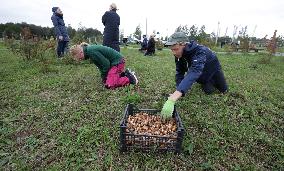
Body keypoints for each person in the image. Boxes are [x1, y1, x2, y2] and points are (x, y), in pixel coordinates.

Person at [160, 32, 228, 119]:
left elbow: (194, 71)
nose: (173, 52)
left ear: (183, 44)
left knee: (224, 90)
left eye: (175, 49)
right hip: (201, 72)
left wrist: (174, 97)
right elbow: (180, 71)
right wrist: (179, 91)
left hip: (213, 69)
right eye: (172, 50)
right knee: (208, 90)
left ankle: (213, 81)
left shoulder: (200, 51)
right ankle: (206, 81)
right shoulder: (179, 54)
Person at [70, 43, 138, 89]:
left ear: (80, 53)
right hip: (114, 64)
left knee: (110, 85)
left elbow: (106, 64)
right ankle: (124, 74)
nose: (80, 60)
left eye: (79, 58)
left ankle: (130, 79)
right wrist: (104, 77)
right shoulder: (89, 52)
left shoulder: (91, 51)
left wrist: (105, 75)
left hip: (117, 62)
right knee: (107, 81)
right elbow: (100, 66)